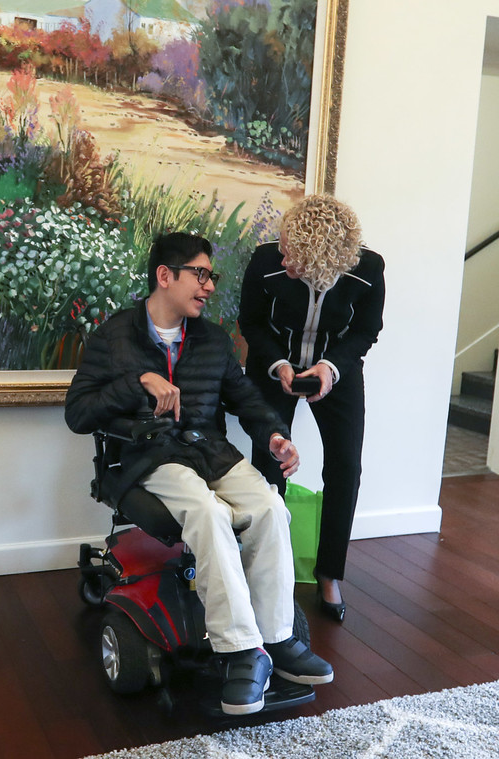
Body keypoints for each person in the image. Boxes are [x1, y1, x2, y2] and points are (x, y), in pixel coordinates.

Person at [65, 232, 333, 716]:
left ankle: (277, 639)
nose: (209, 286)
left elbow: (246, 399)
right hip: (151, 456)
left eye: (211, 276)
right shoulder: (114, 336)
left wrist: (275, 436)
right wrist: (139, 382)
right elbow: (78, 413)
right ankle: (241, 652)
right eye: (200, 274)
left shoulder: (211, 339)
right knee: (208, 513)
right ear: (165, 276)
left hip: (209, 452)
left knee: (270, 506)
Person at [239, 195, 385, 623]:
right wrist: (279, 365)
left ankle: (329, 574)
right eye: (283, 248)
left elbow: (366, 330)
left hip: (336, 370)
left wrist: (329, 367)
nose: (282, 258)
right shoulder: (265, 262)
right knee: (269, 465)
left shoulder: (368, 270)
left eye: (291, 253)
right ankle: (266, 572)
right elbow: (251, 322)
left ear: (321, 257)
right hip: (273, 366)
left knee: (345, 467)